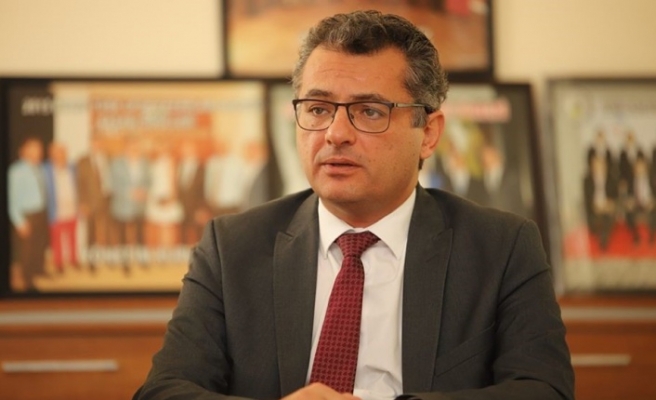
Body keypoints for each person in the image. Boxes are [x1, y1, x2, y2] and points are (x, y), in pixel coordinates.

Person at [135, 10, 573, 400]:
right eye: (318, 108)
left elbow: (543, 390)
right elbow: (164, 390)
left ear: (428, 133)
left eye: (369, 112)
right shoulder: (232, 247)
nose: (335, 134)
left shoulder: (502, 247)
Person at [7, 138, 49, 291]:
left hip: (40, 212)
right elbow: (11, 198)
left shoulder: (39, 168)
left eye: (39, 148)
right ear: (24, 150)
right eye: (34, 148)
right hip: (27, 214)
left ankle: (38, 269)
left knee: (39, 244)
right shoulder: (16, 171)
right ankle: (27, 279)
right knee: (27, 250)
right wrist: (19, 222)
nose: (38, 152)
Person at [43, 142, 79, 273]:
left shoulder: (72, 167)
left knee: (72, 237)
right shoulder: (45, 169)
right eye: (57, 152)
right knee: (56, 239)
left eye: (62, 152)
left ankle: (73, 260)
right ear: (51, 154)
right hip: (55, 209)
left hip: (72, 208)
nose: (60, 155)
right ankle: (58, 263)